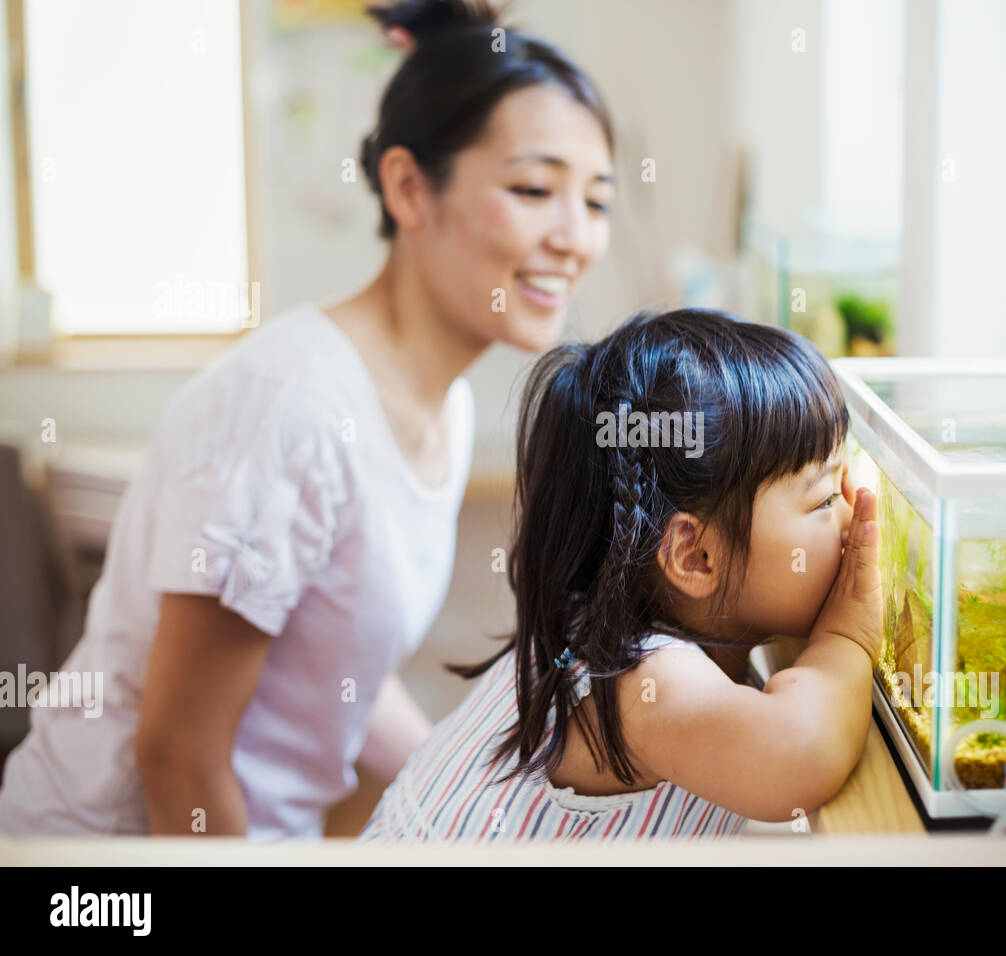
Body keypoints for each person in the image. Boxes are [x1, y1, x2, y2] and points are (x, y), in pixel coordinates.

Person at [0, 0, 616, 838]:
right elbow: (177, 753)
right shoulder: (291, 408)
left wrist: (484, 799)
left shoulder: (447, 406)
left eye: (598, 200)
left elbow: (337, 675)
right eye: (535, 189)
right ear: (408, 186)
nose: (575, 238)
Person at [358, 309, 884, 841]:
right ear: (695, 557)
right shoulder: (642, 682)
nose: (852, 509)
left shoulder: (616, 620)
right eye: (822, 499)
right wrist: (849, 635)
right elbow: (797, 755)